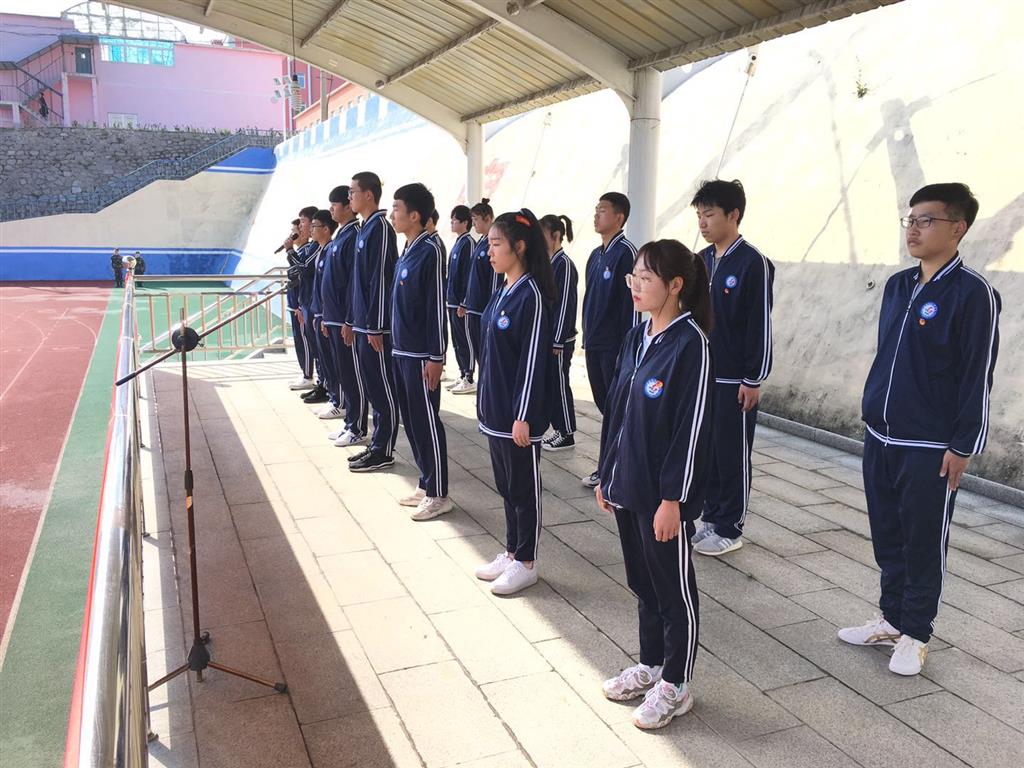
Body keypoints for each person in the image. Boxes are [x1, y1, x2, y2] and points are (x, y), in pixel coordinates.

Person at [840, 183, 1000, 676]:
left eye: (926, 220)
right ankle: (891, 619)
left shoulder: (973, 294)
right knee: (887, 535)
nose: (913, 229)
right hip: (881, 435)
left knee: (923, 541)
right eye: (910, 219)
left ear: (958, 228)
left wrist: (963, 444)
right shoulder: (898, 285)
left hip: (929, 445)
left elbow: (977, 375)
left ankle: (916, 633)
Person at [596, 239, 713, 730]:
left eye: (646, 278)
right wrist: (606, 472)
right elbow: (616, 412)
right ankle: (651, 664)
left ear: (676, 285)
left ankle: (677, 684)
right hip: (627, 484)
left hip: (663, 497)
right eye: (634, 277)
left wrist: (673, 500)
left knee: (672, 590)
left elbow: (691, 430)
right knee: (642, 582)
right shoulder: (636, 337)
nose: (636, 286)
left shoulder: (691, 346)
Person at [690, 180, 774, 556]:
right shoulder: (702, 260)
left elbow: (760, 326)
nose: (702, 222)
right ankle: (711, 516)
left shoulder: (752, 263)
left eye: (709, 214)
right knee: (707, 450)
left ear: (733, 215)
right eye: (699, 215)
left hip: (734, 379)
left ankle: (730, 527)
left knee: (733, 452)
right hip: (705, 375)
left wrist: (753, 378)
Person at [474, 209, 554, 596]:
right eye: (489, 244)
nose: (489, 252)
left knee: (524, 489)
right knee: (506, 487)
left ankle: (526, 561)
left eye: (496, 244)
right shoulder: (503, 290)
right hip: (496, 410)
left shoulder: (531, 296)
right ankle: (510, 551)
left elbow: (533, 362)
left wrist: (523, 415)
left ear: (519, 247)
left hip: (517, 416)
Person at [390, 183, 452, 520]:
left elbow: (435, 306)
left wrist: (436, 356)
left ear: (415, 215)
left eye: (397, 208)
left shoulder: (430, 250)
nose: (393, 214)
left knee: (427, 421)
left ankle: (439, 493)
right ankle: (427, 482)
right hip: (402, 351)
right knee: (412, 421)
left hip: (420, 355)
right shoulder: (408, 249)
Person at [580, 192, 638, 487]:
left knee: (618, 410)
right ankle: (611, 466)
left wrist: (628, 352)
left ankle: (611, 469)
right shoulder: (596, 255)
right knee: (607, 408)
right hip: (594, 344)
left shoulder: (626, 253)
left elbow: (632, 306)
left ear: (619, 217)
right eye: (596, 209)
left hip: (614, 347)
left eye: (602, 210)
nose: (596, 215)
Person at [344, 171, 400, 472]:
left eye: (353, 191)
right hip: (363, 324)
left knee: (382, 387)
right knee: (373, 386)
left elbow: (379, 280)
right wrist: (353, 320)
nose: (349, 197)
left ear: (368, 194)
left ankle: (384, 449)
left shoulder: (380, 228)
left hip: (375, 327)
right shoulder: (366, 228)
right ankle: (377, 443)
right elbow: (360, 281)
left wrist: (376, 325)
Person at [320, 185, 368, 447]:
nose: (331, 209)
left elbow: (353, 284)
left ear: (348, 207)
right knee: (343, 374)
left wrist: (349, 320)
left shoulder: (353, 236)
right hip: (334, 317)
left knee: (352, 374)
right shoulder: (342, 235)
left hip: (345, 320)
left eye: (335, 205)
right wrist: (327, 316)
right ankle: (350, 422)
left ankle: (357, 426)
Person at [539, 214, 579, 452]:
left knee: (560, 384)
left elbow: (565, 305)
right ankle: (558, 428)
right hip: (550, 338)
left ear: (555, 235)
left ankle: (566, 432)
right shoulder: (550, 263)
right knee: (552, 384)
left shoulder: (564, 265)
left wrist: (557, 339)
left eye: (542, 235)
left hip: (559, 340)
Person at [455, 198, 500, 395]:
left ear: (488, 218)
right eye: (472, 220)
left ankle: (489, 389)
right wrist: (466, 302)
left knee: (487, 353)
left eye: (476, 220)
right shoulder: (481, 242)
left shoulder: (493, 243)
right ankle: (484, 388)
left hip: (483, 308)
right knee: (479, 352)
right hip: (473, 307)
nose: (474, 224)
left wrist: (492, 308)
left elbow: (494, 280)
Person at [308, 209, 342, 421]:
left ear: (326, 229)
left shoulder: (331, 249)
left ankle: (340, 402)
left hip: (328, 316)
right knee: (326, 361)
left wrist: (326, 314)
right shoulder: (321, 250)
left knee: (336, 363)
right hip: (320, 314)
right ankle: (334, 397)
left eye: (315, 226)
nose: (311, 230)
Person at [284, 208, 319, 393]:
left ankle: (308, 376)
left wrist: (290, 251)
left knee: (306, 341)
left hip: (304, 304)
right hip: (300, 303)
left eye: (302, 223)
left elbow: (301, 273)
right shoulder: (306, 249)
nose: (293, 233)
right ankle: (311, 377)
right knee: (301, 340)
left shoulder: (310, 248)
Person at [445, 205, 475, 391]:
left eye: (455, 220)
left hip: (460, 303)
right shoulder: (458, 242)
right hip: (452, 301)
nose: (452, 223)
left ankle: (469, 377)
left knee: (465, 339)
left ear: (465, 223)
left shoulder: (468, 244)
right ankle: (462, 373)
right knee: (456, 341)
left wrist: (464, 301)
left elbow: (468, 276)